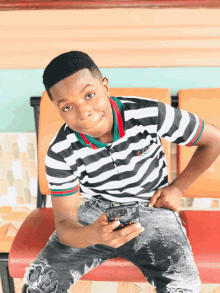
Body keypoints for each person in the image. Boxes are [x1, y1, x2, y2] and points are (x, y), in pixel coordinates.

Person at [22, 51, 220, 293]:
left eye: (90, 95)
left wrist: (178, 187)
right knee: (38, 282)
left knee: (183, 286)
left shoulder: (149, 114)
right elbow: (65, 227)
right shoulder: (60, 151)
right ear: (56, 108)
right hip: (95, 214)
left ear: (105, 86)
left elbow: (214, 140)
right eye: (67, 107)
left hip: (151, 208)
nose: (83, 113)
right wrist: (94, 234)